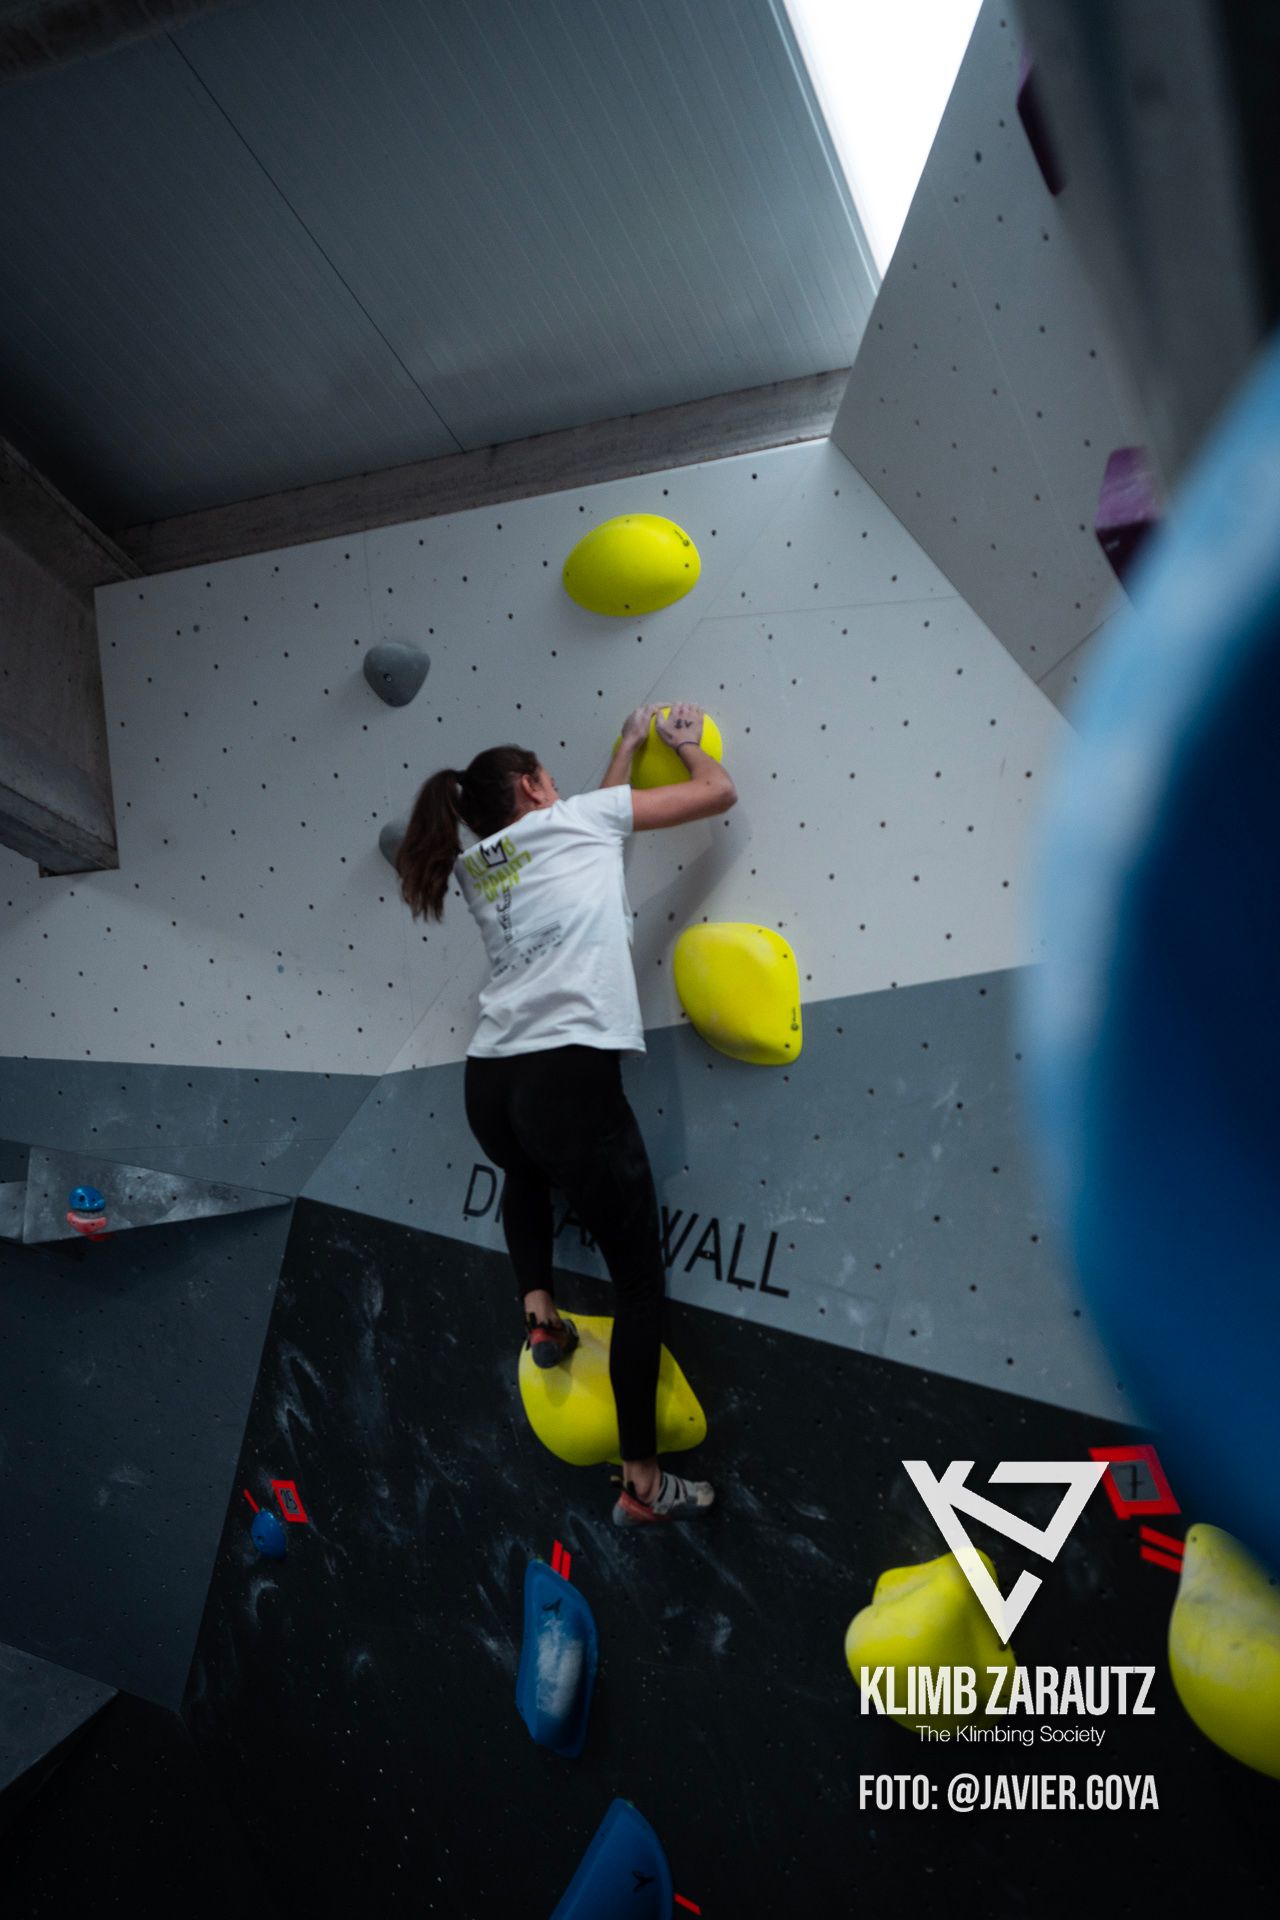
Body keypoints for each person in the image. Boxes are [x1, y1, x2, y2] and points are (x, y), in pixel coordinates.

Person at [395, 702, 736, 1527]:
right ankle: (644, 1483)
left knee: (524, 1175)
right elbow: (716, 794)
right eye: (550, 777)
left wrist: (624, 749)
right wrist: (685, 747)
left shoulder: (479, 865)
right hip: (567, 1082)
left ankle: (540, 1315)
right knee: (638, 1286)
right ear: (533, 785)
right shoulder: (580, 821)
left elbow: (590, 823)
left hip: (491, 1082)